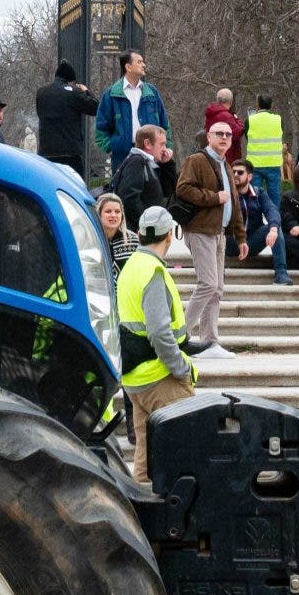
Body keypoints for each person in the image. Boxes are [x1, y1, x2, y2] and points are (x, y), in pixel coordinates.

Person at [115, 206, 197, 483]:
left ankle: (140, 518)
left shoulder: (131, 267)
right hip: (160, 377)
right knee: (192, 447)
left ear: (138, 234)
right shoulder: (153, 272)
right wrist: (181, 367)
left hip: (136, 379)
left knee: (146, 459)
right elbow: (160, 333)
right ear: (169, 237)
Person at [173, 119, 244, 356]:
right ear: (209, 137)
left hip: (219, 233)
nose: (224, 137)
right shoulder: (197, 160)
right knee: (208, 284)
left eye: (228, 134)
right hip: (200, 230)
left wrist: (241, 237)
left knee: (217, 288)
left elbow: (233, 203)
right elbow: (183, 189)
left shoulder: (226, 164)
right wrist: (214, 197)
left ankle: (209, 342)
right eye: (219, 133)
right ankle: (179, 337)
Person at [94, 49, 168, 161]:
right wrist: (112, 147)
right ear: (128, 67)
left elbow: (164, 123)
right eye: (139, 62)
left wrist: (166, 147)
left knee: (151, 179)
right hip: (122, 157)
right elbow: (101, 127)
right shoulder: (111, 94)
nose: (144, 65)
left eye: (143, 62)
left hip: (152, 154)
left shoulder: (152, 92)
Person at [232, 157, 288, 285]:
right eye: (233, 172)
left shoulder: (259, 193)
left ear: (250, 177)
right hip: (231, 243)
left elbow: (271, 210)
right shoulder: (226, 194)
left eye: (240, 172)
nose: (235, 175)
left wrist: (273, 228)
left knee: (275, 227)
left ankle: (281, 273)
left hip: (252, 242)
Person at [34, 61, 94, 179]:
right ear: (71, 80)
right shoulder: (73, 92)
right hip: (70, 153)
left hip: (47, 152)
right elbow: (95, 108)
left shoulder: (41, 93)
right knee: (73, 188)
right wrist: (86, 91)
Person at [113, 124, 175, 228]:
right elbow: (129, 198)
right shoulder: (136, 162)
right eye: (162, 144)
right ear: (147, 143)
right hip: (138, 232)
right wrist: (147, 225)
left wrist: (167, 164)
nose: (165, 149)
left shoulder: (148, 163)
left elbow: (168, 190)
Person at [243, 94, 287, 211]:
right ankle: (275, 225)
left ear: (257, 105)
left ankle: (255, 224)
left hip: (255, 164)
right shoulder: (278, 120)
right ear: (271, 105)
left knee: (255, 197)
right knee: (274, 198)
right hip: (273, 164)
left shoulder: (249, 120)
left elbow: (248, 138)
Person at [95, 188, 138, 270]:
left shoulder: (134, 241)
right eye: (108, 211)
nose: (114, 215)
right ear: (99, 214)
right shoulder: (91, 238)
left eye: (117, 211)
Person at [203, 85, 246, 164]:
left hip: (213, 153)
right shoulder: (226, 116)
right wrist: (237, 120)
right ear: (231, 101)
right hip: (226, 155)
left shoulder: (211, 113)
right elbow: (237, 133)